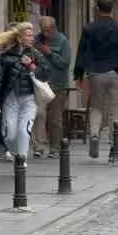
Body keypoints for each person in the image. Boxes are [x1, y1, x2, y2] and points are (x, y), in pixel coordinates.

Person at [73, 0, 118, 161]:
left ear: (97, 9)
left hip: (95, 72)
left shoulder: (89, 28)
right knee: (116, 109)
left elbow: (81, 52)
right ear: (111, 9)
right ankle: (115, 144)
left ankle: (94, 135)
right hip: (115, 72)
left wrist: (78, 73)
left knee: (96, 107)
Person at [0, 22, 49, 163]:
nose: (32, 38)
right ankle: (15, 152)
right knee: (10, 135)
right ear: (20, 38)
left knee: (23, 131)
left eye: (32, 35)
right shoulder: (5, 56)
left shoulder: (35, 54)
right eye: (28, 35)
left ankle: (21, 162)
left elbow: (46, 74)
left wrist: (31, 66)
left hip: (29, 99)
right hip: (11, 99)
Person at [30, 16, 71, 158]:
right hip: (40, 84)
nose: (45, 33)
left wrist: (49, 53)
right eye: (43, 30)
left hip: (58, 86)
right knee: (39, 115)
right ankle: (39, 146)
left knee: (55, 119)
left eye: (48, 30)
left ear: (54, 28)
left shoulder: (63, 41)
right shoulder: (36, 40)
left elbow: (65, 63)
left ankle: (55, 147)